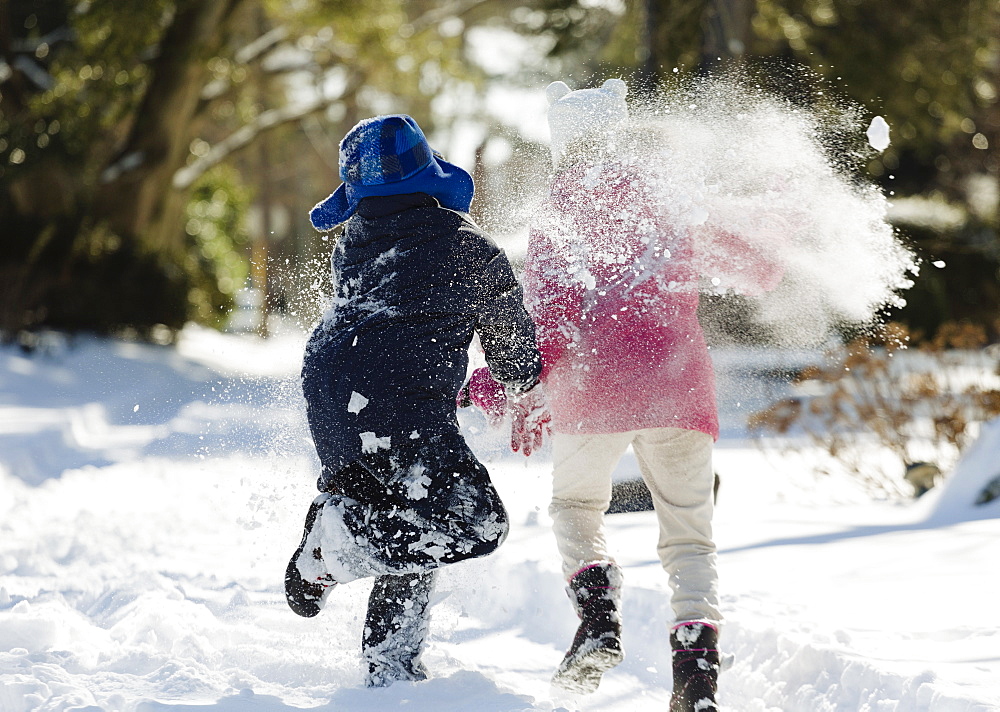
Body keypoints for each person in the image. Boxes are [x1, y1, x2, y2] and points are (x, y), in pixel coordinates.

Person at [465, 79, 783, 709]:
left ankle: (599, 614)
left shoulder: (560, 211)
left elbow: (548, 325)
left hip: (595, 392)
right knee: (691, 538)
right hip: (680, 388)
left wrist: (496, 386)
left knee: (577, 507)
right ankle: (696, 676)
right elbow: (756, 263)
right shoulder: (669, 194)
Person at [286, 114, 542, 688]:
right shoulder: (469, 249)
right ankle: (335, 547)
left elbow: (394, 322)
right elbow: (517, 364)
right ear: (430, 179)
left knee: (409, 521)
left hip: (331, 394)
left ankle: (392, 670)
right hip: (397, 410)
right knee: (476, 523)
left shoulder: (354, 242)